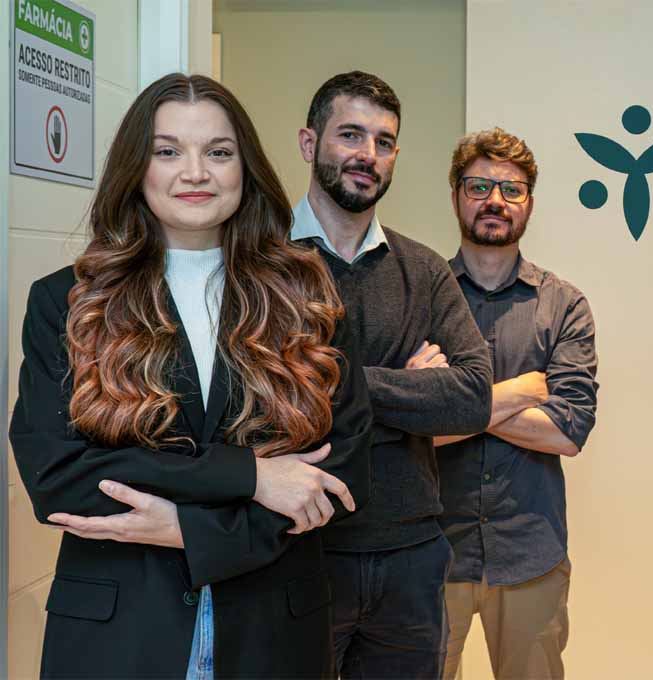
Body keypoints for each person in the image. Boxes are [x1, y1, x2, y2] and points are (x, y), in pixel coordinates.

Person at [9, 73, 372, 678]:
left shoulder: (308, 296)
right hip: (118, 638)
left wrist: (190, 530)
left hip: (273, 633)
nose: (196, 173)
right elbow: (57, 476)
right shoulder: (69, 301)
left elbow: (342, 470)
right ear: (137, 167)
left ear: (246, 168)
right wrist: (251, 477)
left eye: (219, 152)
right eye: (168, 151)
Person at [289, 71, 492, 679]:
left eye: (383, 142)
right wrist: (410, 388)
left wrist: (333, 383)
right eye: (351, 134)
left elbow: (471, 398)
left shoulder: (423, 270)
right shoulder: (262, 261)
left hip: (411, 556)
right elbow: (265, 405)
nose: (368, 155)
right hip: (297, 549)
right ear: (309, 142)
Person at [433, 128, 599, 680]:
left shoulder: (563, 304)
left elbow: (568, 432)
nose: (495, 201)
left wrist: (457, 403)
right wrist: (522, 391)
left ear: (529, 202)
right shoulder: (422, 296)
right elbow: (406, 424)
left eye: (512, 189)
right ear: (456, 194)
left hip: (530, 551)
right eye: (479, 186)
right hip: (433, 550)